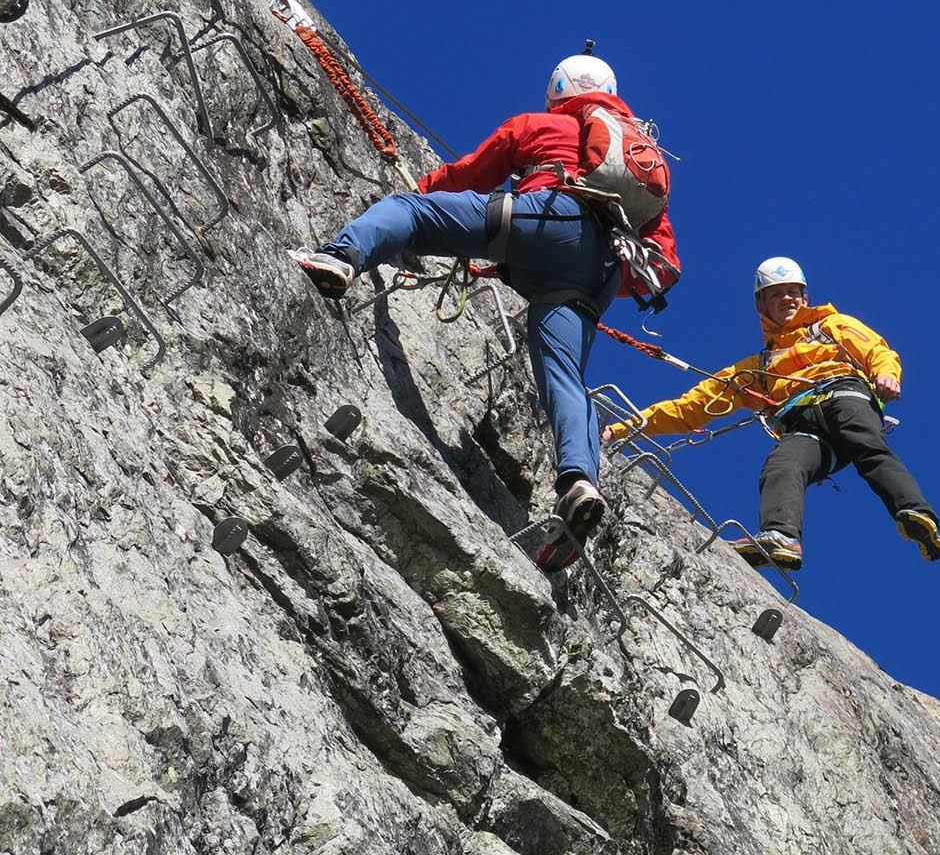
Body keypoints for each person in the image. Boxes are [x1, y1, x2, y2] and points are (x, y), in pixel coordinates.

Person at [290, 50, 681, 571]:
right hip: (600, 271)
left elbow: (473, 173)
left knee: (410, 213)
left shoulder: (541, 125)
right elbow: (666, 264)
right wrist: (597, 280)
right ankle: (579, 483)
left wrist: (424, 193)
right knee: (565, 377)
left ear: (558, 91)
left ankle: (340, 256)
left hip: (547, 218)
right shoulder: (642, 161)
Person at [604, 257, 940, 571]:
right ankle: (781, 537)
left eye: (793, 293)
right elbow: (689, 408)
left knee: (867, 445)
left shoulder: (832, 326)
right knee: (783, 466)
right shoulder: (758, 369)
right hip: (802, 427)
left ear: (805, 296)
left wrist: (887, 375)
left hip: (842, 396)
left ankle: (915, 512)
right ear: (761, 304)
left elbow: (877, 351)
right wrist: (621, 429)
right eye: (777, 294)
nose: (787, 300)